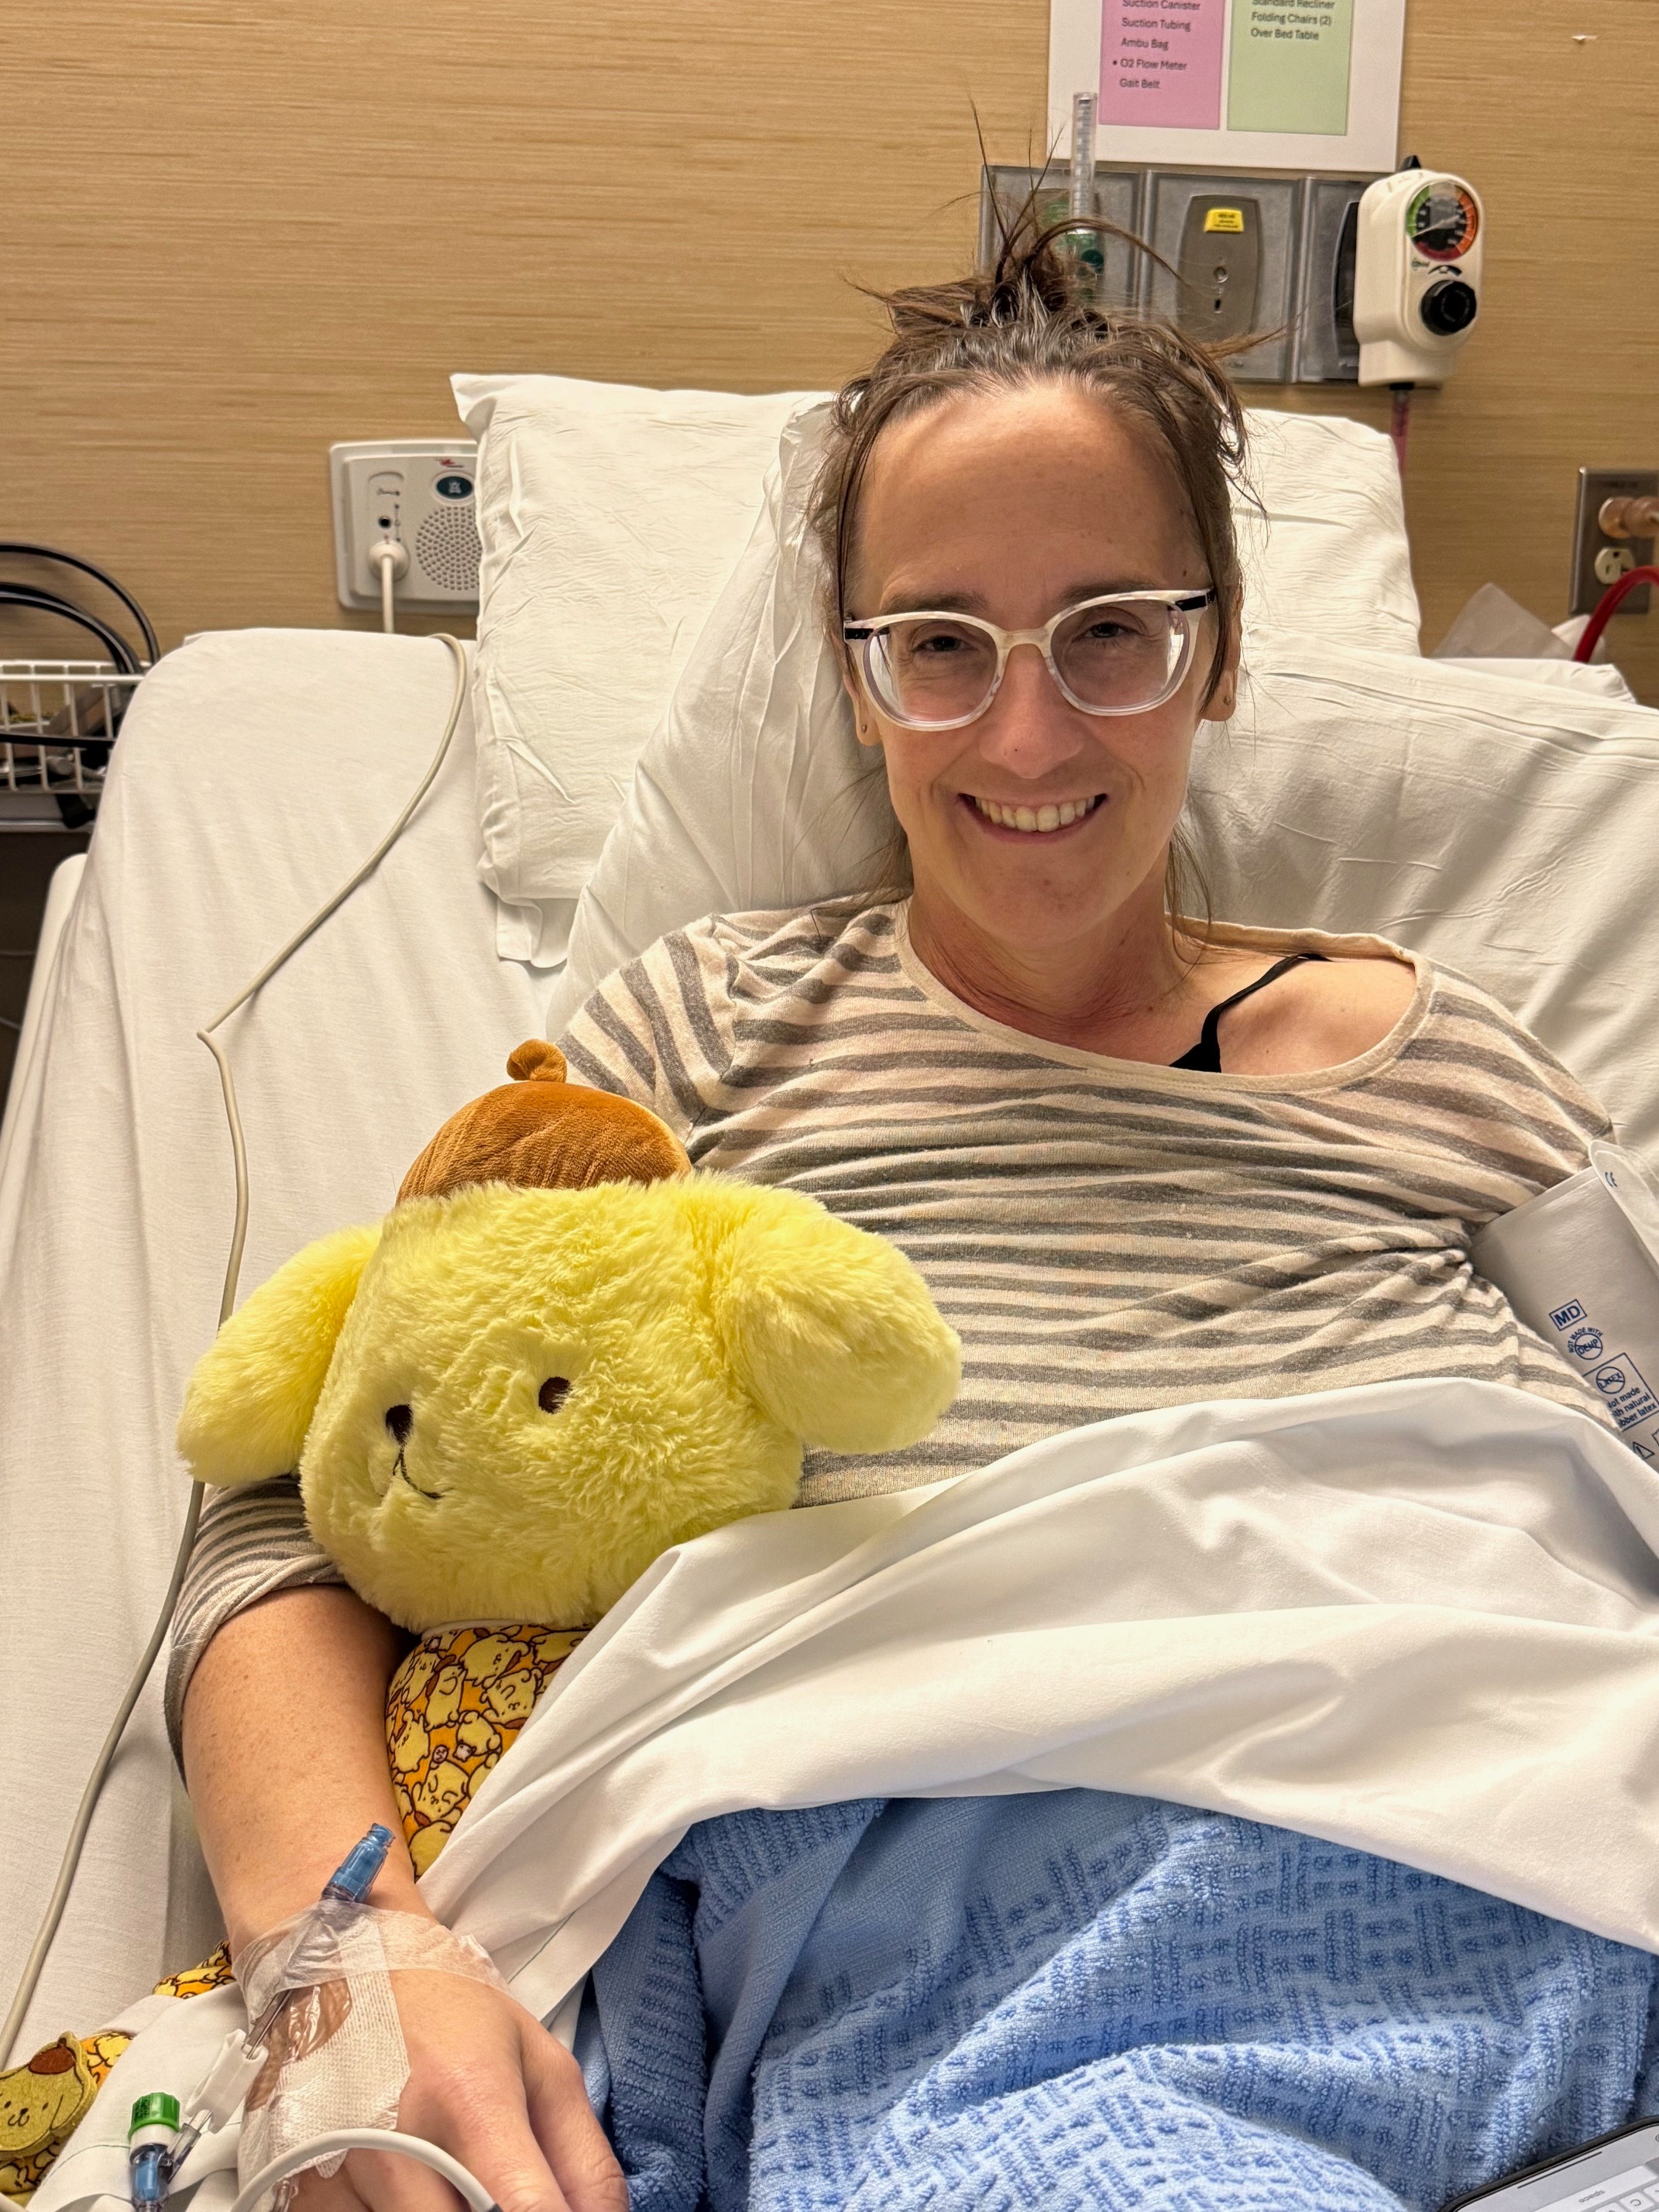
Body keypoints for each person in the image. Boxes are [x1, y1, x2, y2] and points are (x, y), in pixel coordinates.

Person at [173, 216, 1621, 2212]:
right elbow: (317, 1487)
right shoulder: (699, 1035)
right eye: (941, 645)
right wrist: (342, 1946)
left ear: (1217, 657)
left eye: (1110, 631)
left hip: (1522, 1862)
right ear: (856, 686)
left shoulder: (1439, 1060)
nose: (1028, 737)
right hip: (936, 1915)